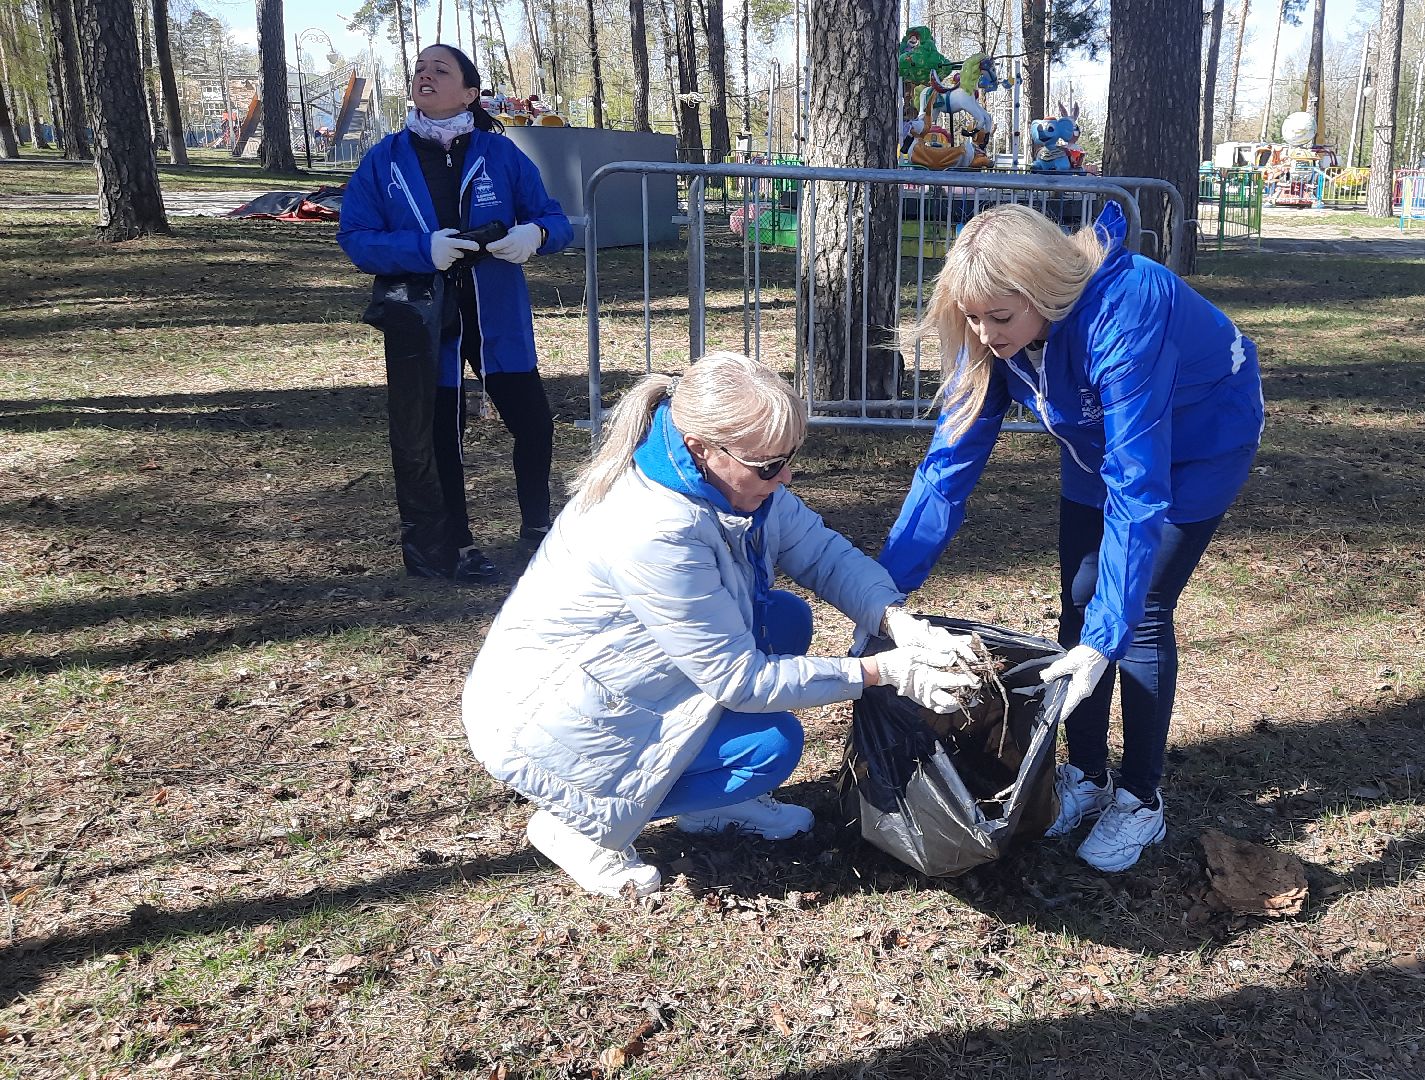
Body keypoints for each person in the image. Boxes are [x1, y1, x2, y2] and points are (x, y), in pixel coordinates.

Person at [463, 354, 983, 898]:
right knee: (768, 747)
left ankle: (709, 804)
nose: (783, 478)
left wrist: (893, 616)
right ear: (701, 449)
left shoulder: (727, 482)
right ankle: (576, 823)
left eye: (789, 460)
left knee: (786, 617)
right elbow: (740, 680)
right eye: (768, 466)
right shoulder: (654, 529)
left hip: (609, 676)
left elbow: (822, 554)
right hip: (546, 717)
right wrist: (880, 671)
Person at [878, 202, 1264, 873]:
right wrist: (883, 590)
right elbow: (949, 467)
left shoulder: (1128, 311)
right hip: (1097, 444)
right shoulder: (996, 335)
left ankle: (1141, 799)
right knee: (1079, 600)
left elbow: (1138, 491)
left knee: (1137, 615)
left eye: (1000, 318)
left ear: (1045, 293)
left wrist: (1105, 637)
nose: (984, 333)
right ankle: (1085, 772)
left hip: (1199, 446)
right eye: (972, 316)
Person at [338, 44, 571, 580]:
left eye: (439, 70)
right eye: (419, 69)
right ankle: (458, 545)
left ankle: (538, 528)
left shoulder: (502, 155)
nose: (425, 76)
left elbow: (557, 221)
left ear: (470, 93)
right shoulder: (385, 158)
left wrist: (534, 234)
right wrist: (424, 249)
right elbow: (355, 238)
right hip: (424, 319)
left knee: (533, 423)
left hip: (496, 315)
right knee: (441, 434)